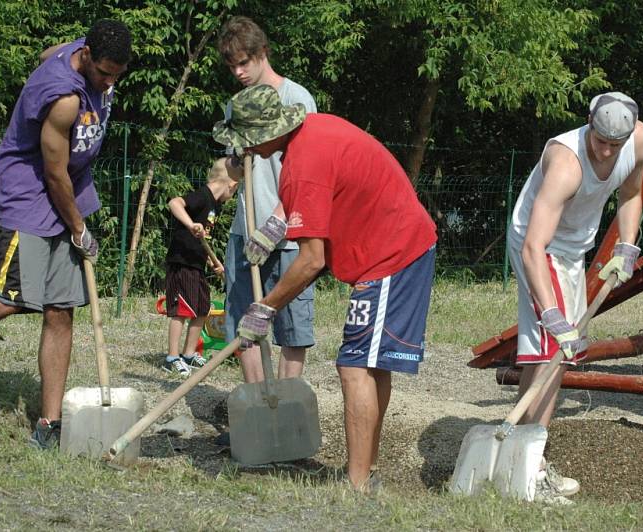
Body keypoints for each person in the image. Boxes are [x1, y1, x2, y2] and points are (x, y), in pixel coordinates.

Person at [212, 85, 438, 491]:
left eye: (246, 142)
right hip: (391, 247)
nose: (245, 152)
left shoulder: (303, 164)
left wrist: (265, 308)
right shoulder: (312, 133)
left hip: (393, 253)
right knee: (369, 364)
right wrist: (274, 232)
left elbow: (312, 260)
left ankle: (356, 487)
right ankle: (363, 474)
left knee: (354, 366)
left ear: (265, 134)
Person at [0, 20, 132, 450]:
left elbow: (49, 51)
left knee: (61, 309)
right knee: (4, 299)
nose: (107, 82)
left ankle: (49, 424)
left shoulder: (87, 54)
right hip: (29, 200)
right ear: (86, 57)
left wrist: (77, 222)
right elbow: (53, 173)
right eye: (102, 73)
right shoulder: (63, 99)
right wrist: (80, 230)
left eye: (116, 75)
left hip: (67, 195)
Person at [508, 92, 643, 503]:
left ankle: (518, 455)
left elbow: (630, 194)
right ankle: (531, 473)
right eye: (599, 139)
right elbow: (533, 246)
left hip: (572, 250)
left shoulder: (638, 140)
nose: (605, 150)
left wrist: (627, 244)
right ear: (589, 121)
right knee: (556, 350)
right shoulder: (566, 163)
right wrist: (552, 315)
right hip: (539, 246)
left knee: (548, 358)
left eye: (614, 143)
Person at [216, 16, 317, 386]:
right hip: (245, 231)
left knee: (292, 326)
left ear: (263, 54)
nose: (239, 72)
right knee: (245, 320)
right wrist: (212, 193)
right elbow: (233, 169)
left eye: (245, 62)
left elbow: (309, 177)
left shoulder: (296, 99)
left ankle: (286, 405)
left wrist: (276, 224)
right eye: (232, 66)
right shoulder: (236, 107)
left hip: (290, 233)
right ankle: (259, 404)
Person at [162, 158, 237, 376]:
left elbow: (202, 240)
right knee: (182, 310)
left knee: (202, 308)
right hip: (181, 261)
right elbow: (174, 203)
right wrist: (191, 223)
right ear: (231, 185)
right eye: (235, 191)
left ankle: (188, 354)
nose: (231, 197)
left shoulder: (214, 206)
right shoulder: (202, 196)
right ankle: (172, 357)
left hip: (196, 263)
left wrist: (214, 262)